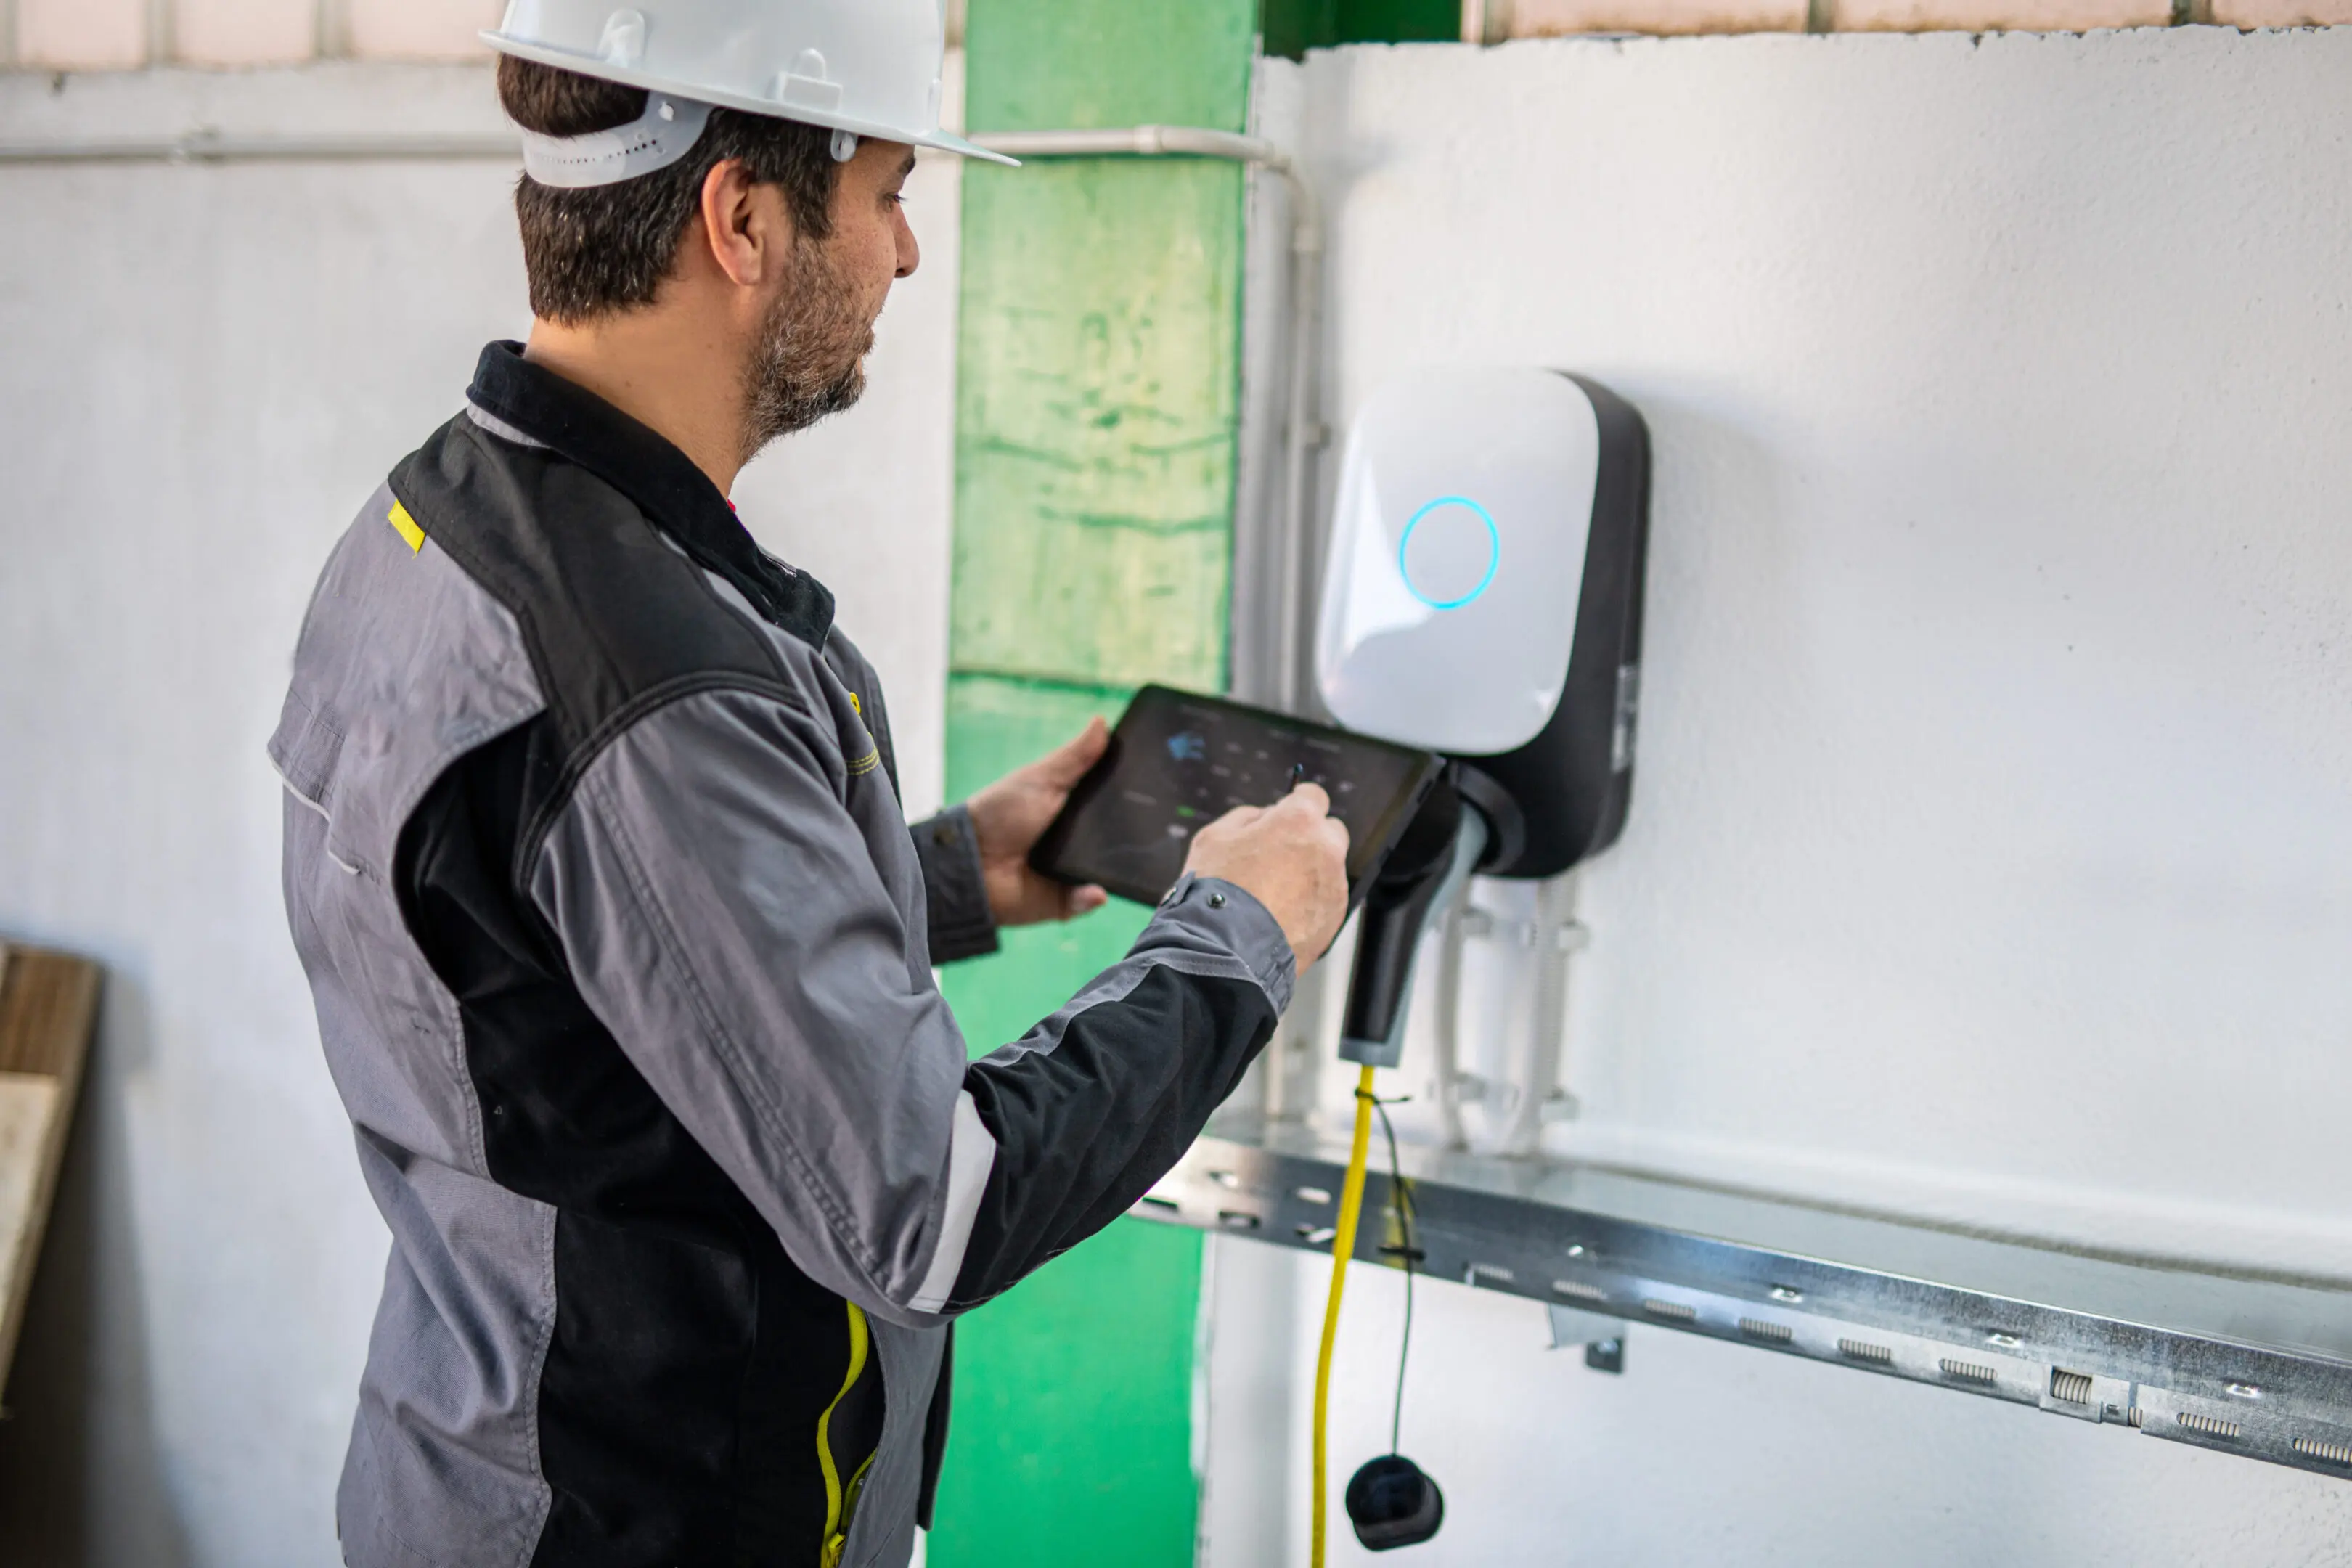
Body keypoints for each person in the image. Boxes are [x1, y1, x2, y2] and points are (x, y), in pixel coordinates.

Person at [266, 3, 1349, 1565]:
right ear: (745, 217)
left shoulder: (440, 524)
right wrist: (1237, 938)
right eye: (892, 191)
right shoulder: (650, 677)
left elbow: (598, 970)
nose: (907, 253)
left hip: (475, 1475)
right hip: (634, 1527)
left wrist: (955, 872)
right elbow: (937, 1210)